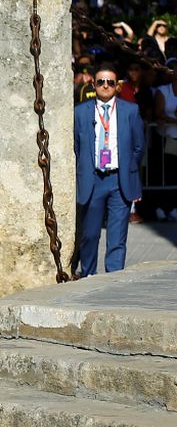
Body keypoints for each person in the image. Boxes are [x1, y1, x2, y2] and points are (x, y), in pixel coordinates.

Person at [75, 64, 144, 277]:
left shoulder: (130, 110)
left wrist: (128, 168)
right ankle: (88, 275)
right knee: (90, 235)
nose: (105, 86)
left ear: (117, 86)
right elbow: (76, 146)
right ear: (94, 85)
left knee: (117, 236)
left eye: (110, 82)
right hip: (93, 179)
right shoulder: (80, 112)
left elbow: (138, 146)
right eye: (101, 82)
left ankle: (113, 279)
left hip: (119, 180)